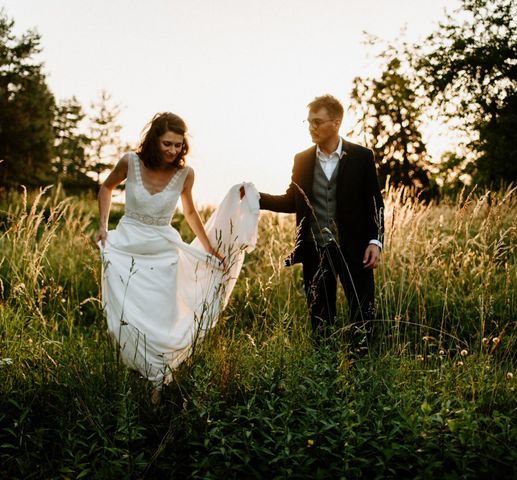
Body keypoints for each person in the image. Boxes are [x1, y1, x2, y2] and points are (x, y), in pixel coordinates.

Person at [95, 112, 259, 403]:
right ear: (154, 140)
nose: (173, 150)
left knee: (163, 318)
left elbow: (191, 212)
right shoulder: (129, 162)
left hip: (164, 251)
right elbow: (106, 187)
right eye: (167, 144)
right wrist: (103, 227)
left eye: (178, 145)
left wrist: (209, 249)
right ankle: (135, 375)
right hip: (128, 245)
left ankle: (158, 385)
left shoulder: (185, 174)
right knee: (127, 319)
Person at [259, 95, 384, 351]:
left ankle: (359, 371)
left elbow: (376, 204)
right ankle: (324, 370)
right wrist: (255, 198)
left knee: (363, 315)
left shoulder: (361, 156)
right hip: (316, 249)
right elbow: (292, 201)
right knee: (320, 321)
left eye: (317, 122)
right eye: (309, 122)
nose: (311, 127)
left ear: (336, 123)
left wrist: (375, 241)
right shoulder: (302, 159)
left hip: (356, 250)